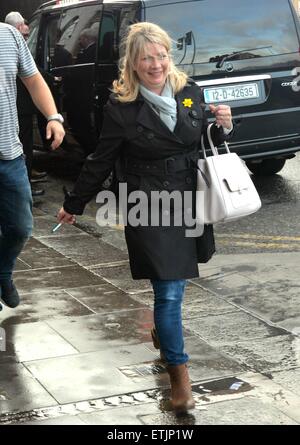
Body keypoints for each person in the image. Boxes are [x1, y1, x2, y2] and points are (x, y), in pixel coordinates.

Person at [57, 22, 233, 413]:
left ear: (169, 56)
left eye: (161, 55)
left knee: (176, 286)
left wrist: (223, 127)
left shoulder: (189, 92)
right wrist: (75, 203)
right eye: (146, 58)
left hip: (189, 198)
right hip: (148, 203)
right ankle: (180, 375)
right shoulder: (121, 107)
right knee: (168, 290)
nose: (155, 64)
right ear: (132, 65)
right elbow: (100, 158)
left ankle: (163, 333)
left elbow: (203, 140)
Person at [0, 21, 65, 310]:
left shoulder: (9, 35)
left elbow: (34, 79)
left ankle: (3, 270)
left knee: (21, 227)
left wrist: (53, 116)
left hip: (9, 155)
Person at [5, 12, 47, 196]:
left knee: (24, 148)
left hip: (18, 110)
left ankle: (25, 183)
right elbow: (32, 75)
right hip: (17, 109)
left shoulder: (13, 43)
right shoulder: (12, 44)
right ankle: (25, 185)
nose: (26, 37)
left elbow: (33, 76)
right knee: (24, 148)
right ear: (19, 26)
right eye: (25, 33)